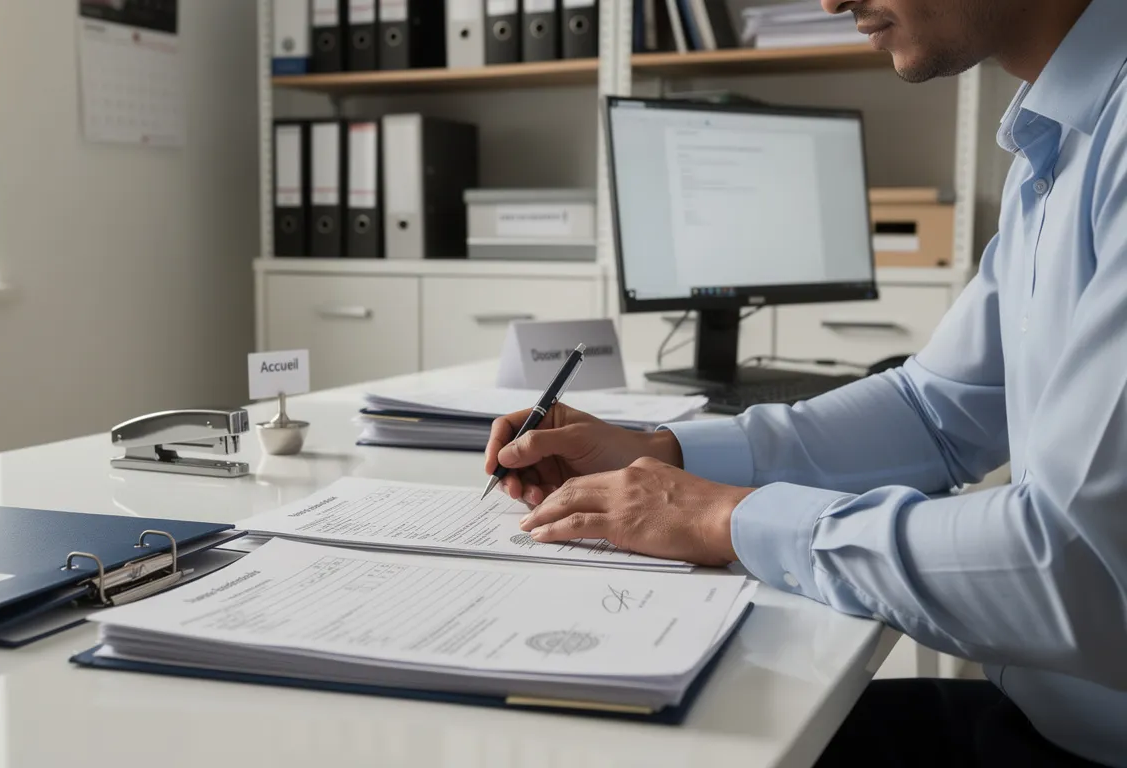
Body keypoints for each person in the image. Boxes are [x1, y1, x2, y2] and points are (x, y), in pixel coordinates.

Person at [483, 0, 1127, 765]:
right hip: (1042, 720)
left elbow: (1078, 563)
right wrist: (658, 451)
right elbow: (933, 411)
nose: (829, 1)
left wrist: (732, 520)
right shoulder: (1063, 139)